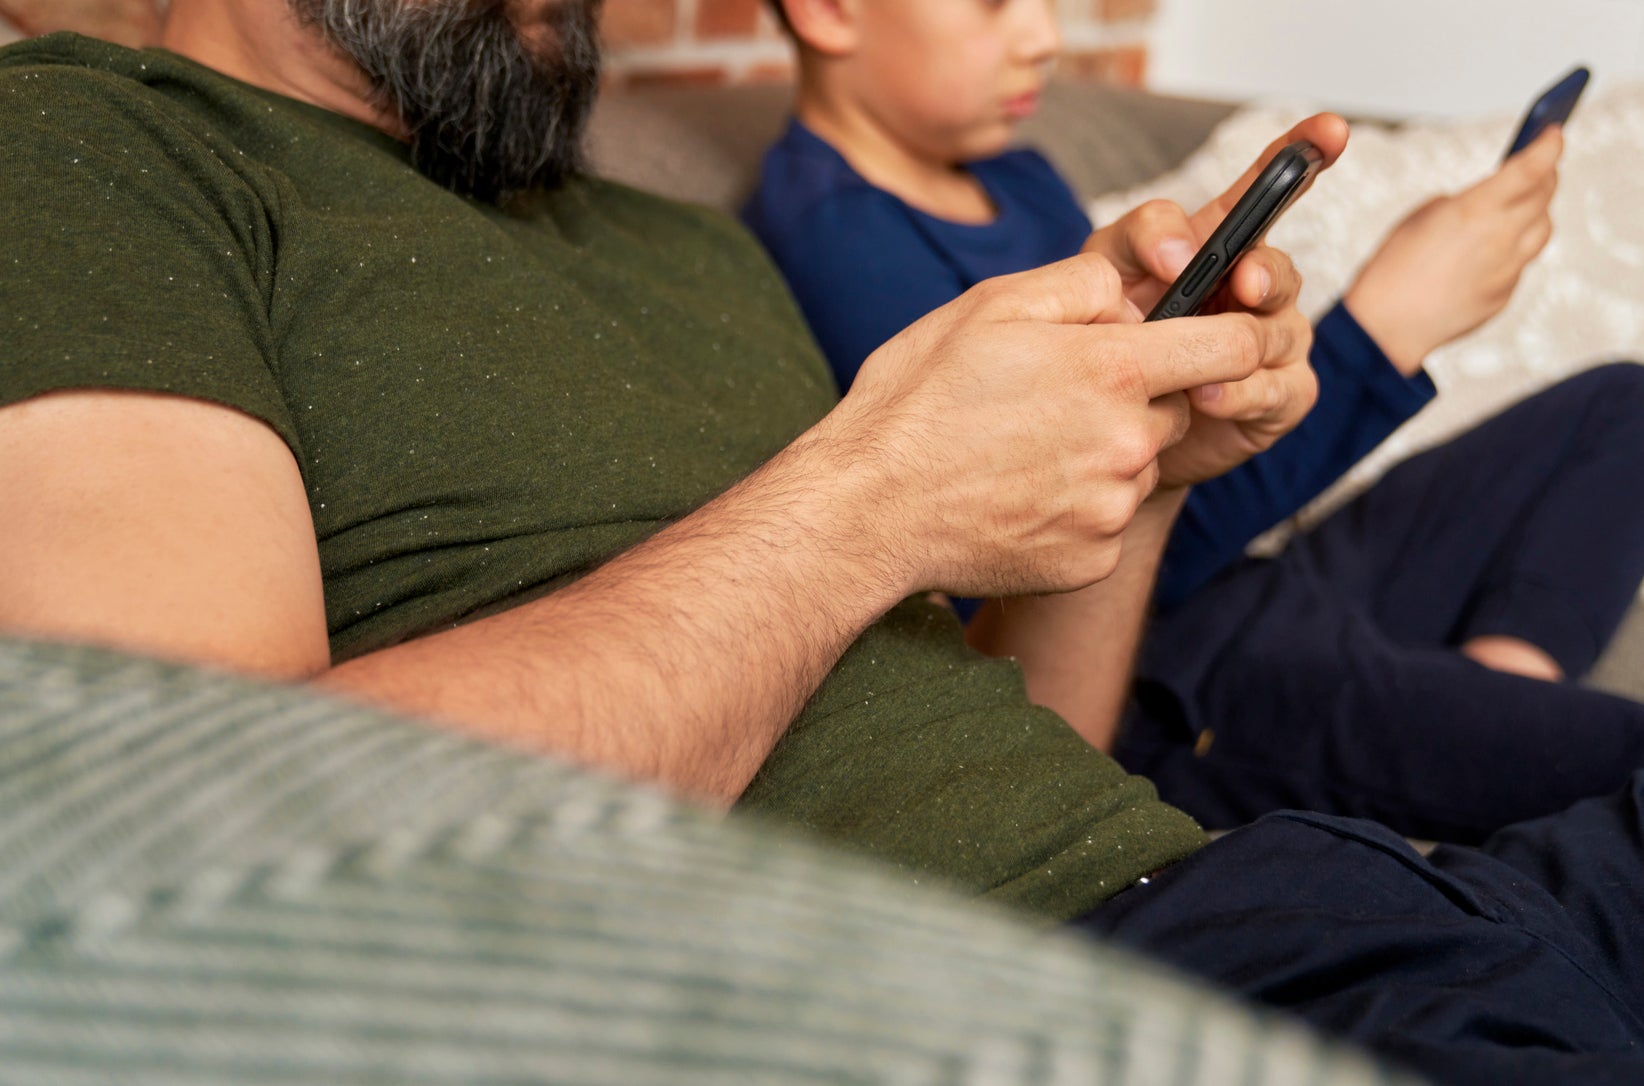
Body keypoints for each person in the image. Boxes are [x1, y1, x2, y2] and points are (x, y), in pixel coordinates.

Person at [0, 4, 1641, 1083]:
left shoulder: (679, 247)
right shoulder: (86, 154)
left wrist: (1139, 473)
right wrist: (860, 501)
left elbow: (1011, 748)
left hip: (1293, 893)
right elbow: (187, 853)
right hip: (1060, 1002)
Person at [742, 0, 1644, 843]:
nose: (1042, 36)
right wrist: (1384, 328)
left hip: (1261, 577)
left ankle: (1497, 683)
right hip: (1180, 670)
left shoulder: (1021, 178)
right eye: (991, 1)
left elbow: (1154, 430)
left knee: (1621, 404)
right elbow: (1049, 558)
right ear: (826, 9)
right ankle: (1484, 734)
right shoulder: (836, 241)